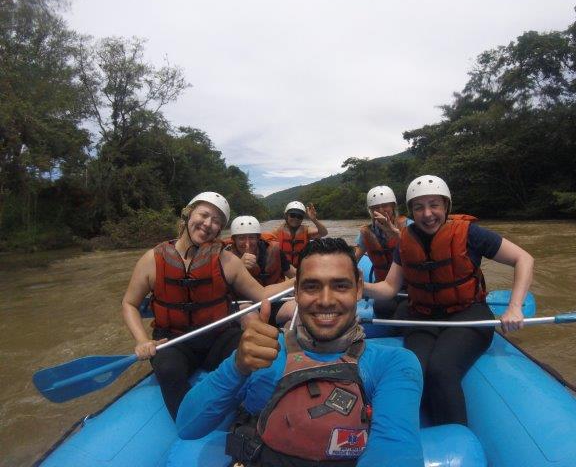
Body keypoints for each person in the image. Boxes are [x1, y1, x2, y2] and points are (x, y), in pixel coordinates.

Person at [176, 238, 424, 466]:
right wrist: (237, 367)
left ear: (358, 289)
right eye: (311, 287)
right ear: (295, 292)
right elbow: (188, 427)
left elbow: (394, 450)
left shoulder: (393, 363)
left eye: (340, 286)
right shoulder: (262, 351)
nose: (325, 300)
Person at [364, 175, 534, 426]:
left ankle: (456, 436)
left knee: (441, 370)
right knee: (413, 371)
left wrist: (515, 307)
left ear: (446, 206)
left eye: (434, 205)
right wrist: (359, 288)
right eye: (419, 207)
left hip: (467, 314)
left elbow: (523, 259)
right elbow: (389, 288)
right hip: (422, 316)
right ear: (411, 211)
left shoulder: (471, 234)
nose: (427, 214)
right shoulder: (405, 241)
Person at [122, 192, 294, 421]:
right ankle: (188, 420)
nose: (208, 224)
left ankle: (252, 415)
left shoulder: (227, 261)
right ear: (188, 214)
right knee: (168, 369)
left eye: (216, 221)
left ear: (220, 229)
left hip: (218, 337)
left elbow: (261, 294)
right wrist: (142, 340)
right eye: (203, 215)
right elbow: (130, 303)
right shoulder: (152, 260)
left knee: (258, 356)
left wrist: (298, 279)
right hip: (173, 341)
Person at [354, 185, 412, 318]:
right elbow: (355, 257)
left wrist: (395, 234)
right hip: (383, 284)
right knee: (382, 307)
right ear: (370, 210)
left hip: (409, 284)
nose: (380, 210)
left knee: (404, 312)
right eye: (375, 207)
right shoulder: (367, 232)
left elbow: (420, 250)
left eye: (385, 205)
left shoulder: (408, 225)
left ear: (393, 206)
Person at [226, 215, 296, 285]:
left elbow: (292, 274)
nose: (247, 244)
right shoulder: (226, 258)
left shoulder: (274, 250)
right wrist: (238, 267)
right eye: (241, 238)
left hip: (276, 291)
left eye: (251, 237)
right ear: (234, 240)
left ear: (258, 238)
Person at [271, 201, 328, 268]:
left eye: (299, 216)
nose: (296, 219)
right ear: (286, 216)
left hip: (301, 269)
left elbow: (324, 233)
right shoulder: (276, 232)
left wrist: (314, 220)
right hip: (283, 269)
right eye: (292, 215)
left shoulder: (306, 230)